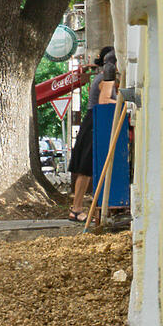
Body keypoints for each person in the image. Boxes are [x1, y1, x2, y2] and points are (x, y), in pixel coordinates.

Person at [68, 46, 116, 223]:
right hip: (96, 122)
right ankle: (76, 209)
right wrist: (123, 102)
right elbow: (104, 101)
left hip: (91, 121)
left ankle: (77, 208)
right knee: (86, 168)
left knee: (85, 169)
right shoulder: (107, 77)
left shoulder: (99, 76)